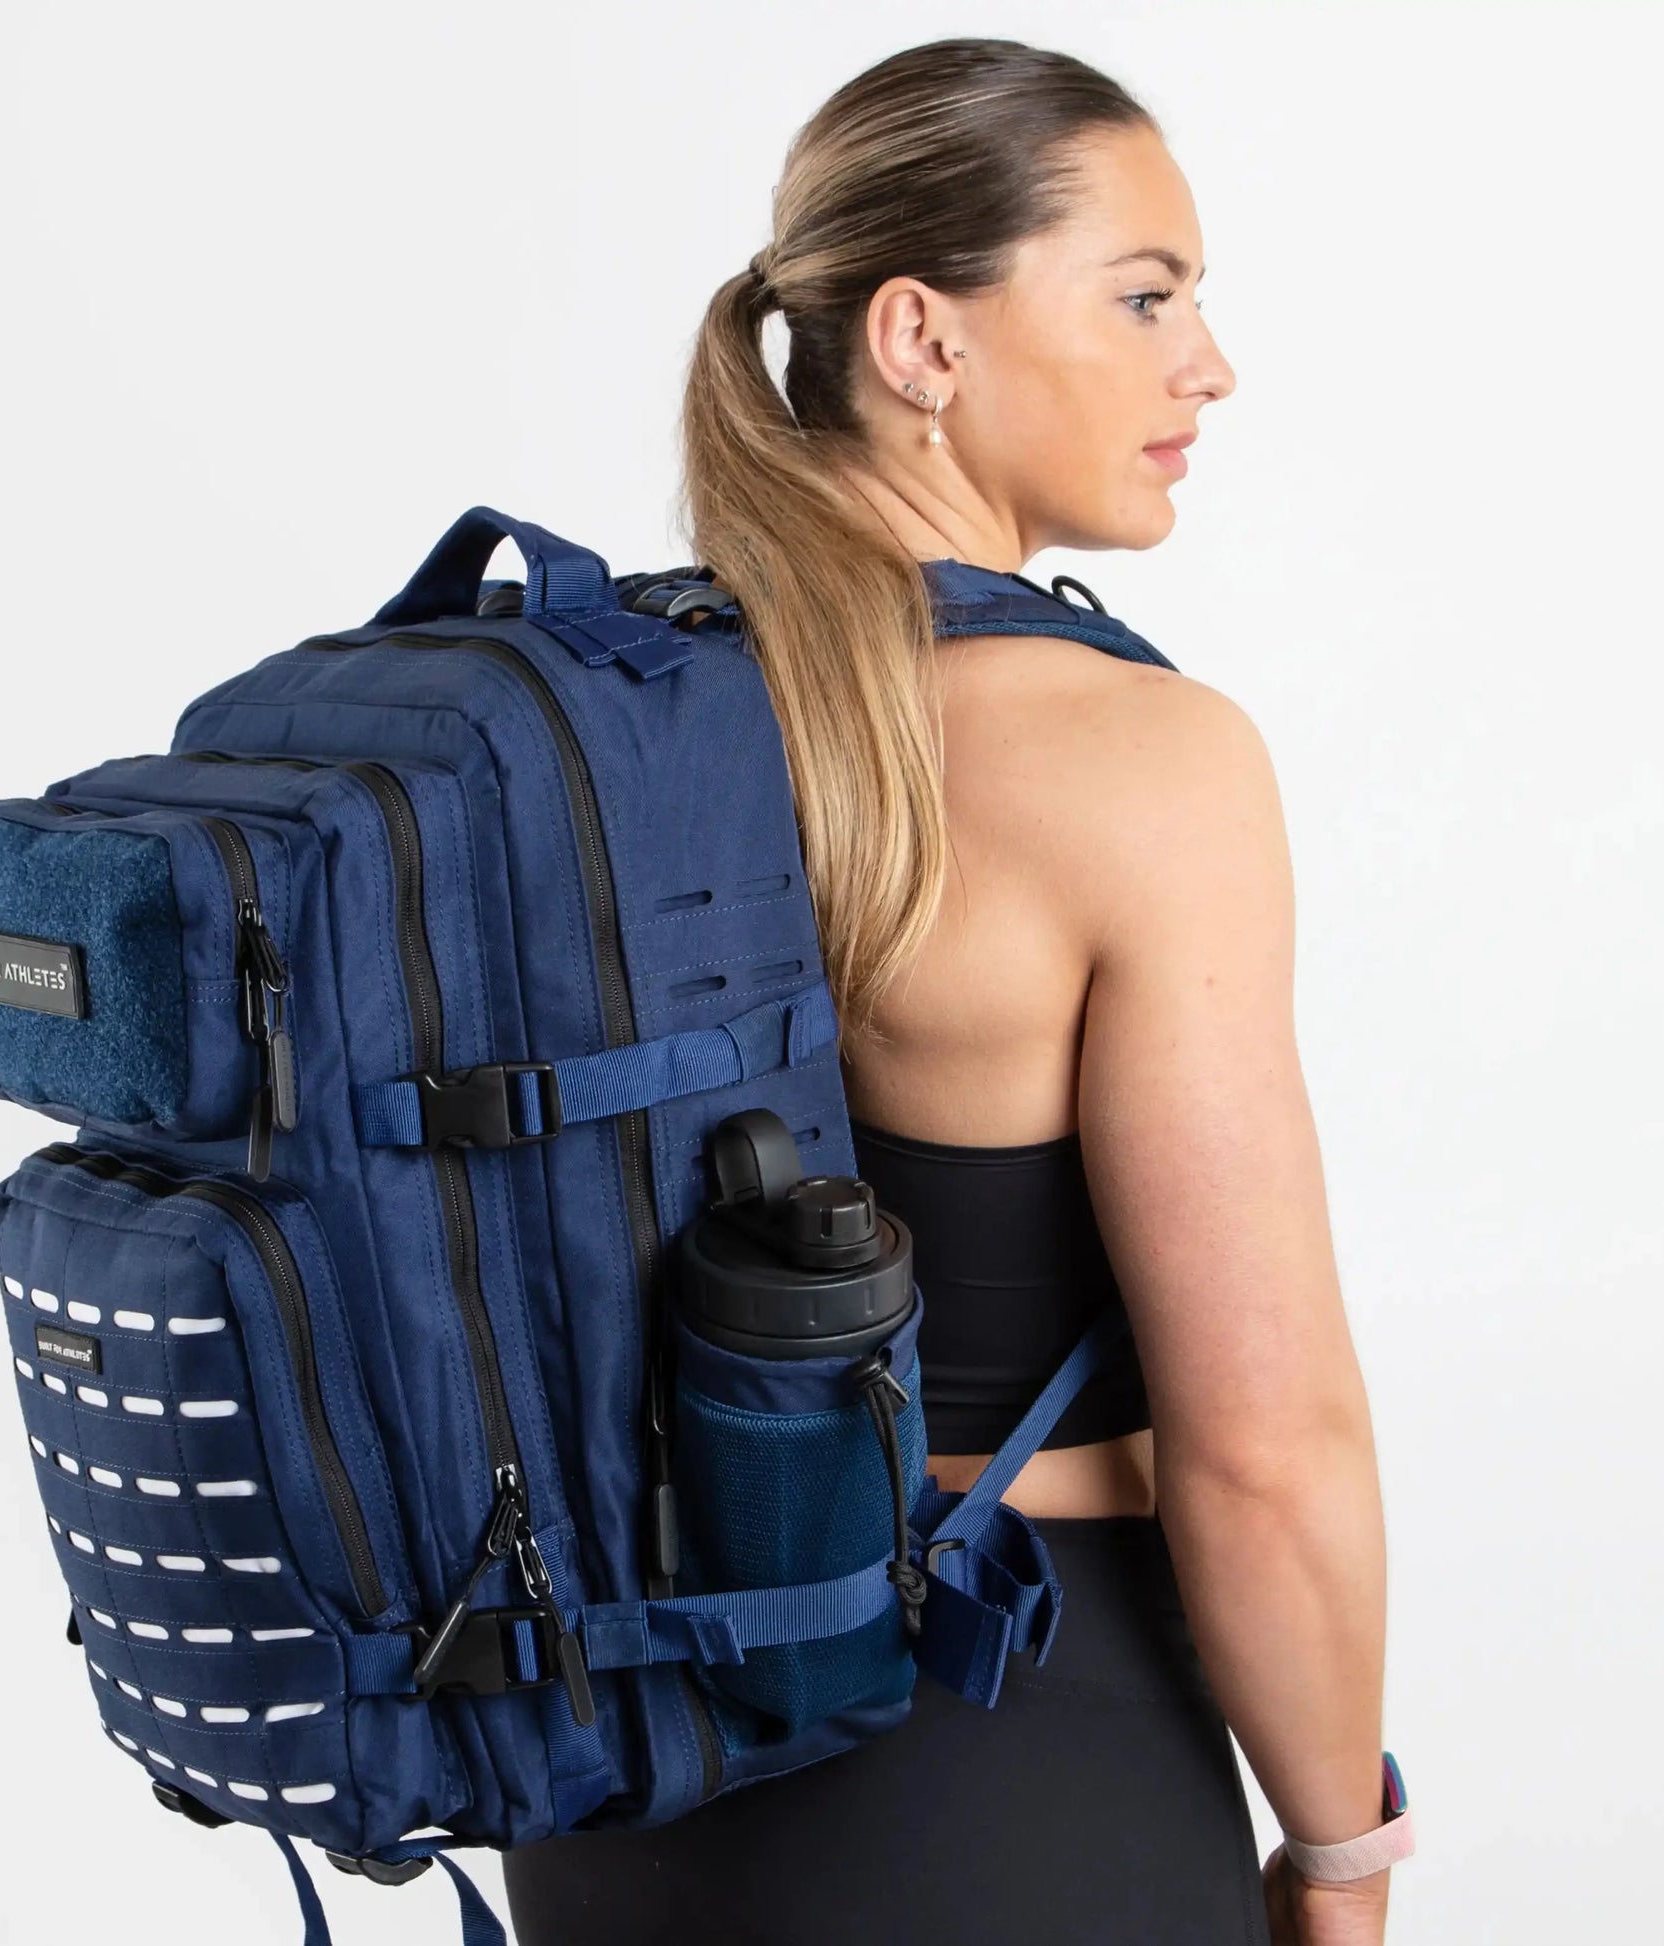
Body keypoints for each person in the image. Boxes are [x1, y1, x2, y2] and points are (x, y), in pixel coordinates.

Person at [503, 36, 1397, 1946]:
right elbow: (1263, 1452)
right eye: (1145, 295)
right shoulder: (1134, 762)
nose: (1207, 365)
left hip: (612, 1792)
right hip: (1015, 1775)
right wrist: (1342, 1852)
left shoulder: (587, 738)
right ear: (921, 339)